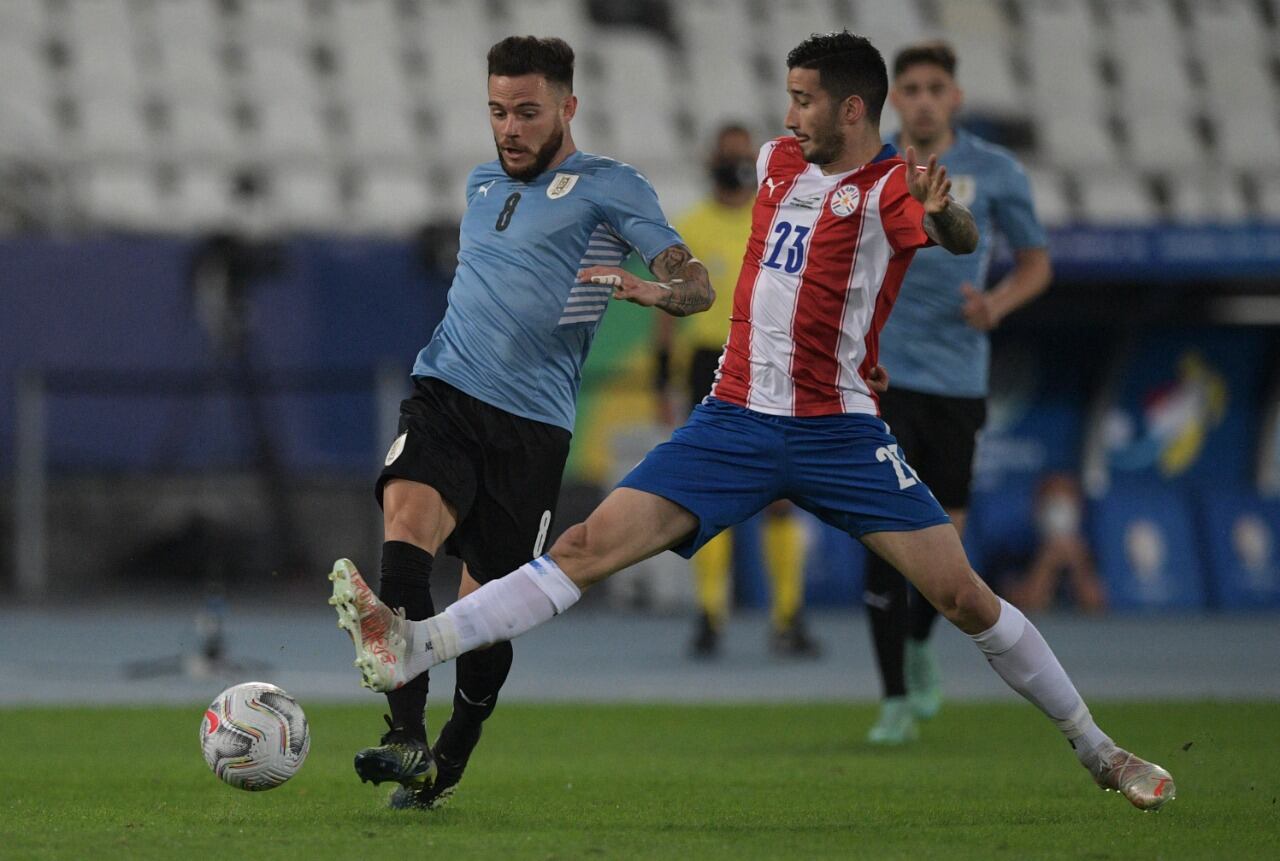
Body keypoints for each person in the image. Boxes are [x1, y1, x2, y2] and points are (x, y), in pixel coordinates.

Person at [332, 31, 1175, 812]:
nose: (787, 114)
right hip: (733, 418)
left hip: (838, 429)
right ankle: (412, 644)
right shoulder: (774, 162)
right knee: (584, 549)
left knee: (962, 596)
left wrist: (945, 210)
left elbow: (953, 236)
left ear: (851, 108)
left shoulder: (888, 187)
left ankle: (1099, 748)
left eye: (804, 98)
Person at [329, 35, 712, 811]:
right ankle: (405, 734)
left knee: (485, 609)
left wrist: (660, 293)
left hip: (532, 427)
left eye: (528, 112)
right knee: (404, 524)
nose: (509, 128)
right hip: (444, 390)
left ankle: (451, 755)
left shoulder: (610, 187)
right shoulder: (479, 184)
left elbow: (696, 283)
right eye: (498, 112)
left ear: (568, 108)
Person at [862, 41, 1055, 745]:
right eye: (908, 87)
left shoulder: (996, 171)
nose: (920, 98)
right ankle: (891, 701)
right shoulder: (873, 167)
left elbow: (1036, 265)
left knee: (946, 550)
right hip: (881, 379)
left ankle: (917, 646)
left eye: (932, 87)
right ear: (895, 100)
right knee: (881, 537)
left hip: (958, 382)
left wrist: (996, 306)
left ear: (955, 99)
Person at [656, 123, 820, 659]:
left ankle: (787, 617)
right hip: (708, 362)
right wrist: (663, 376)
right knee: (709, 494)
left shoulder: (772, 217)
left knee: (780, 495)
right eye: (726, 156)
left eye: (740, 156)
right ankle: (710, 614)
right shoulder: (692, 226)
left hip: (768, 358)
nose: (733, 163)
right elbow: (669, 306)